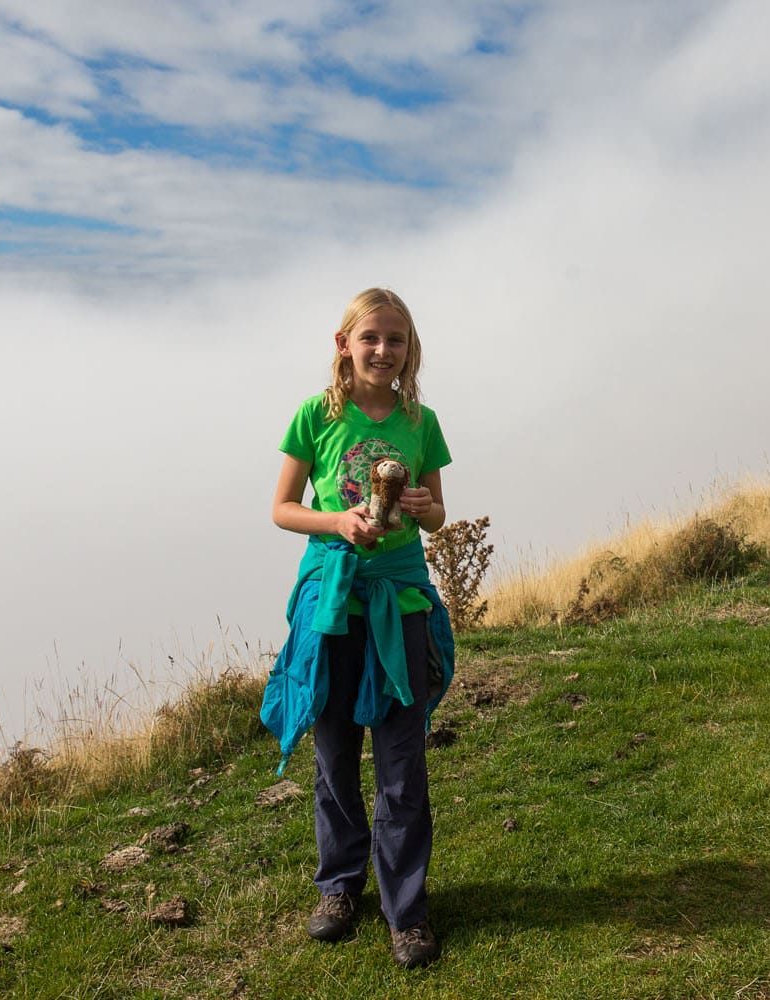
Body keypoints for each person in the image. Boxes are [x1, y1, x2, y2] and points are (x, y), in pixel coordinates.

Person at [260, 287, 457, 969]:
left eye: (395, 339)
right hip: (332, 603)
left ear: (410, 350)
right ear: (343, 344)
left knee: (402, 759)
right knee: (336, 751)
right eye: (369, 337)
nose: (383, 350)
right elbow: (283, 508)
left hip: (399, 603)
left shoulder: (420, 421)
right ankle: (339, 889)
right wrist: (339, 521)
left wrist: (427, 506)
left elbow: (435, 517)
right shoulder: (315, 416)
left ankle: (407, 912)